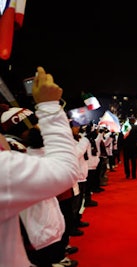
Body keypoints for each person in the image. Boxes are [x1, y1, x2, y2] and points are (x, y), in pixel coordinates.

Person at [0, 66, 80, 267]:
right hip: (35, 232)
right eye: (33, 123)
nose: (37, 127)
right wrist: (49, 106)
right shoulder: (11, 153)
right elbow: (63, 169)